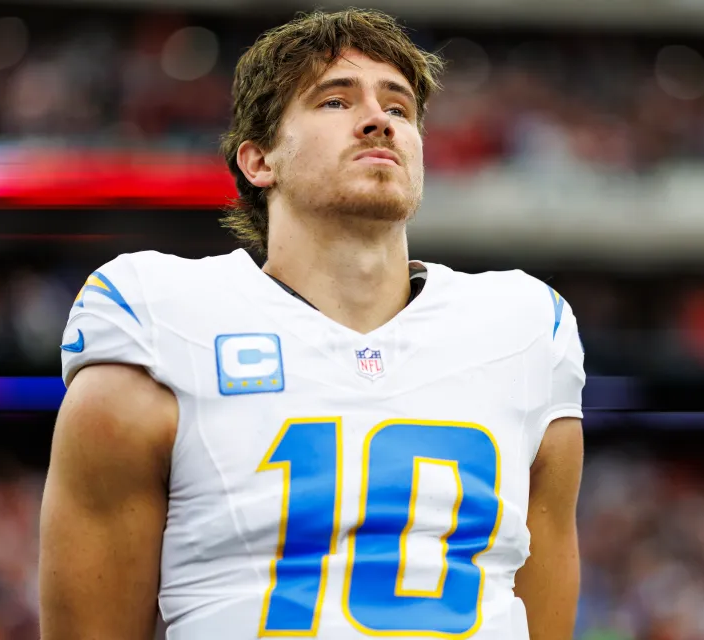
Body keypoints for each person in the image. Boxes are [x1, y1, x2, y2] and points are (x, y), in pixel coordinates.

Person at [39, 8, 585, 640]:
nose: (379, 120)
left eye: (400, 108)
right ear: (258, 160)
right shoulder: (161, 318)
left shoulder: (523, 328)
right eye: (334, 101)